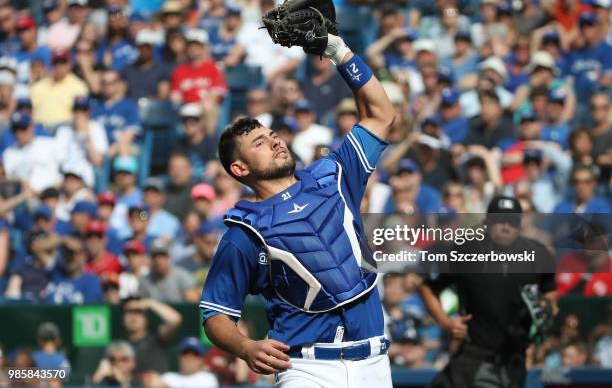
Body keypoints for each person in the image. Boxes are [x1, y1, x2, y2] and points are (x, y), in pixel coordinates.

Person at [202, 29, 395, 386]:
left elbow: (382, 116)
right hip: (306, 368)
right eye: (260, 142)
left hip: (374, 362)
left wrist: (340, 52)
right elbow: (215, 313)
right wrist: (245, 347)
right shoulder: (244, 231)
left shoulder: (333, 174)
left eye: (272, 135)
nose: (274, 141)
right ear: (240, 169)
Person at [420, 196, 558, 388]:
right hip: (475, 357)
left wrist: (547, 305)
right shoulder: (466, 251)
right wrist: (445, 322)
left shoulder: (538, 254)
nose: (505, 226)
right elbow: (428, 287)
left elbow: (550, 291)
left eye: (512, 221)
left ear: (520, 224)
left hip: (514, 360)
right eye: (499, 220)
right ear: (487, 222)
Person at [121, 295, 182, 374]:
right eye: (129, 312)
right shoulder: (120, 346)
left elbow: (175, 320)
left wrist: (149, 303)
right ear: (122, 318)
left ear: (146, 318)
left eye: (138, 312)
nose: (133, 317)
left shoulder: (156, 337)